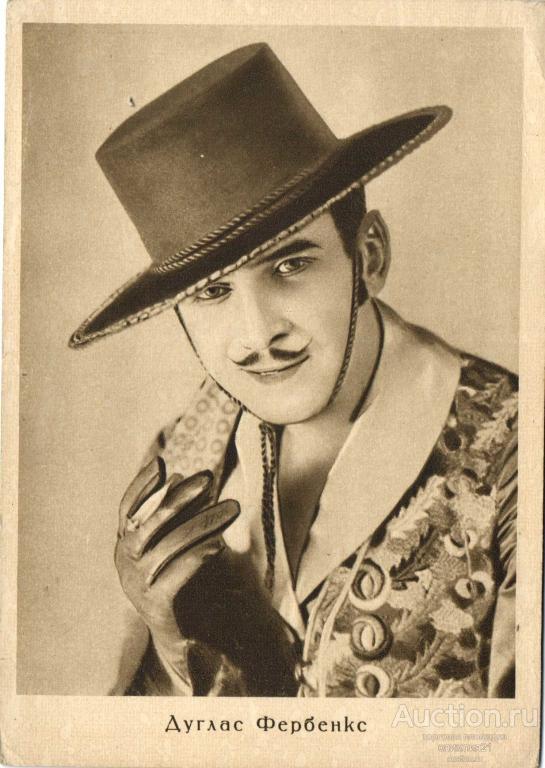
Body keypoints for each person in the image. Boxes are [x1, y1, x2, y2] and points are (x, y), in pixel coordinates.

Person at [70, 43, 517, 698]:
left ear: (368, 256)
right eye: (212, 291)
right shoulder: (180, 459)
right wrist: (170, 646)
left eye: (291, 264)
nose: (258, 336)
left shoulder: (513, 455)